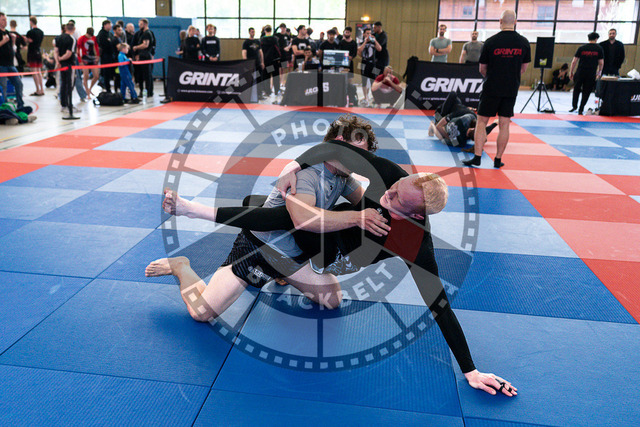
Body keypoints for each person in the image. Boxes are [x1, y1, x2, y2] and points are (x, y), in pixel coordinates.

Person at [147, 115, 518, 398]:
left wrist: (470, 370)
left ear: (414, 215)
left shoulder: (415, 244)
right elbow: (330, 158)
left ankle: (280, 260)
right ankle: (183, 267)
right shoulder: (388, 178)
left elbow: (440, 307)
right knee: (202, 313)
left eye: (394, 199)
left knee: (331, 301)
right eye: (392, 187)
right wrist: (292, 168)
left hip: (307, 255)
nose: (386, 194)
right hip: (273, 244)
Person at [463, 10, 530, 169]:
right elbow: (523, 68)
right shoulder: (524, 42)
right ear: (515, 22)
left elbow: (482, 68)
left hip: (491, 87)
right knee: (504, 124)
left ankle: (477, 157)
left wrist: (493, 77)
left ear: (500, 21)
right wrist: (510, 76)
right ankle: (498, 160)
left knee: (481, 122)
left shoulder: (490, 42)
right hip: (511, 88)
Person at [429, 92, 498, 148]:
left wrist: (449, 137)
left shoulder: (461, 138)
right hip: (445, 113)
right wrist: (495, 124)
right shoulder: (464, 118)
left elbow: (440, 132)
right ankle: (437, 121)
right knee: (453, 95)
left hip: (455, 120)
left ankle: (433, 125)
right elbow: (486, 130)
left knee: (442, 135)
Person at [569, 32, 603, 115]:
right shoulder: (599, 49)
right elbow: (601, 63)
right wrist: (599, 72)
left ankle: (574, 106)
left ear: (588, 39)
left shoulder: (582, 48)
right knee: (586, 91)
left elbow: (574, 61)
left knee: (576, 89)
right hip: (591, 73)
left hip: (580, 71)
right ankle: (581, 108)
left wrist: (571, 71)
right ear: (596, 39)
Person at [0, 13, 24, 110]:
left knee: (19, 84)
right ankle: (5, 108)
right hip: (1, 65)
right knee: (3, 87)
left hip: (10, 64)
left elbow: (13, 49)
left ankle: (20, 106)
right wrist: (3, 41)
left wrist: (13, 41)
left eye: (6, 20)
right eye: (3, 20)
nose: (5, 22)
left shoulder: (7, 33)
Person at [54, 22, 77, 114]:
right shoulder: (72, 39)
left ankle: (64, 104)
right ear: (74, 29)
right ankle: (67, 105)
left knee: (63, 84)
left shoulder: (58, 38)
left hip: (61, 64)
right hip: (69, 64)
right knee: (69, 84)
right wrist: (61, 59)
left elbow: (56, 51)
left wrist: (58, 61)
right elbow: (69, 53)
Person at [358, 27, 382, 107]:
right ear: (364, 34)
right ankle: (366, 97)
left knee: (374, 81)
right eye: (367, 33)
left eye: (370, 33)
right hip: (364, 63)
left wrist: (375, 40)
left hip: (373, 64)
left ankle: (374, 97)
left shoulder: (373, 42)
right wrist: (365, 42)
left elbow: (379, 49)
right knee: (364, 80)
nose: (369, 35)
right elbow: (359, 51)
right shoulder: (361, 42)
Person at [132, 19, 154, 97]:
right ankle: (145, 91)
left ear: (145, 24)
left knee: (147, 75)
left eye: (141, 24)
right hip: (142, 56)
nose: (139, 26)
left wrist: (136, 47)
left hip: (145, 56)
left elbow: (145, 45)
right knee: (141, 75)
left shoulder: (147, 33)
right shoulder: (142, 33)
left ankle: (148, 92)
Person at [77, 27, 99, 99]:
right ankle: (87, 92)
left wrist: (97, 56)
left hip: (92, 58)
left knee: (96, 76)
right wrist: (80, 61)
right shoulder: (81, 38)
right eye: (89, 36)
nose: (90, 37)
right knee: (86, 76)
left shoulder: (94, 38)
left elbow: (96, 47)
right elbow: (78, 50)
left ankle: (90, 89)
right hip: (84, 59)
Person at [242, 27, 264, 97]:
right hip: (250, 63)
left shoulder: (257, 41)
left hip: (257, 63)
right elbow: (244, 52)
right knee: (250, 79)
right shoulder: (246, 42)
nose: (253, 33)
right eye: (251, 32)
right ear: (249, 32)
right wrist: (246, 62)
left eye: (253, 32)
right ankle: (248, 95)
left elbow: (261, 52)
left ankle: (259, 94)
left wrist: (262, 62)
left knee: (259, 78)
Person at [25, 16, 44, 96]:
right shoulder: (41, 32)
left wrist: (26, 39)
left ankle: (38, 89)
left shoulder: (30, 32)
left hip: (32, 53)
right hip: (38, 52)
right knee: (38, 72)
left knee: (34, 72)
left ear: (31, 22)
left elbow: (28, 40)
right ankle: (42, 89)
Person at [339, 26, 358, 107]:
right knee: (342, 80)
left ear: (350, 33)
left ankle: (351, 98)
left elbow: (355, 53)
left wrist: (351, 57)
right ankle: (342, 97)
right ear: (344, 33)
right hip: (342, 63)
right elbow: (339, 52)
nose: (347, 33)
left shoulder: (353, 43)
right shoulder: (341, 42)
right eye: (345, 32)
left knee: (350, 81)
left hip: (350, 63)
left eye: (348, 32)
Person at [260, 25, 280, 96]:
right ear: (271, 30)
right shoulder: (275, 39)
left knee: (266, 77)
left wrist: (262, 61)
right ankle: (277, 91)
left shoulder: (262, 40)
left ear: (264, 31)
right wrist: (279, 57)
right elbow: (277, 49)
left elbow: (260, 51)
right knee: (275, 76)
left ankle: (267, 91)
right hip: (274, 61)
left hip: (266, 61)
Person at [97, 20, 116, 93]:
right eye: (109, 25)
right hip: (105, 56)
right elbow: (105, 44)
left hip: (111, 56)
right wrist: (110, 42)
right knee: (106, 73)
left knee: (112, 73)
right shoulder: (102, 34)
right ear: (105, 25)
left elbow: (112, 43)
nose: (111, 26)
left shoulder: (110, 34)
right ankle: (107, 88)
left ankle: (113, 88)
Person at [275, 23, 292, 90]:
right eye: (282, 28)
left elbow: (291, 42)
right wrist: (277, 27)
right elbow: (273, 34)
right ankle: (279, 82)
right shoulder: (278, 35)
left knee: (284, 68)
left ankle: (283, 82)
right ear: (280, 28)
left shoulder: (286, 36)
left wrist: (288, 47)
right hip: (278, 54)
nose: (283, 29)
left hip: (285, 54)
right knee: (279, 69)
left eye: (284, 28)